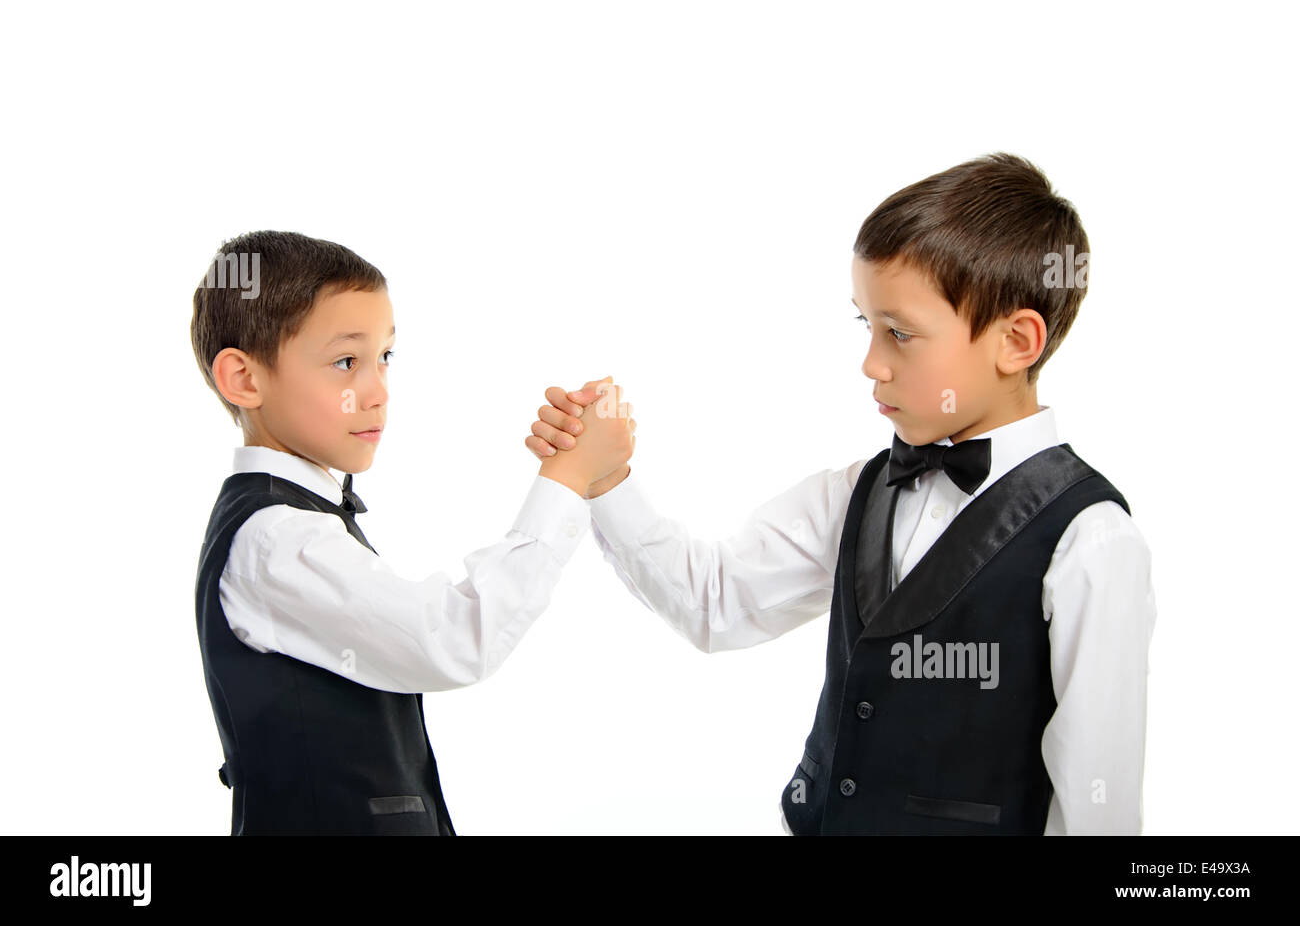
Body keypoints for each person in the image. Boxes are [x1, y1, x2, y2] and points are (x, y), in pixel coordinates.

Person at [527, 154, 1157, 834]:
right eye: (865, 325)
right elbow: (715, 601)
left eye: (900, 333)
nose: (870, 363)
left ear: (1016, 341)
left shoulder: (1090, 537)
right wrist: (606, 477)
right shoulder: (861, 489)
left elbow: (1099, 809)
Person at [191, 230, 633, 834]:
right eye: (347, 362)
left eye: (385, 358)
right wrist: (567, 478)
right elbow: (454, 639)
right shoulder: (277, 540)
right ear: (244, 378)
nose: (377, 392)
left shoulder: (299, 522)